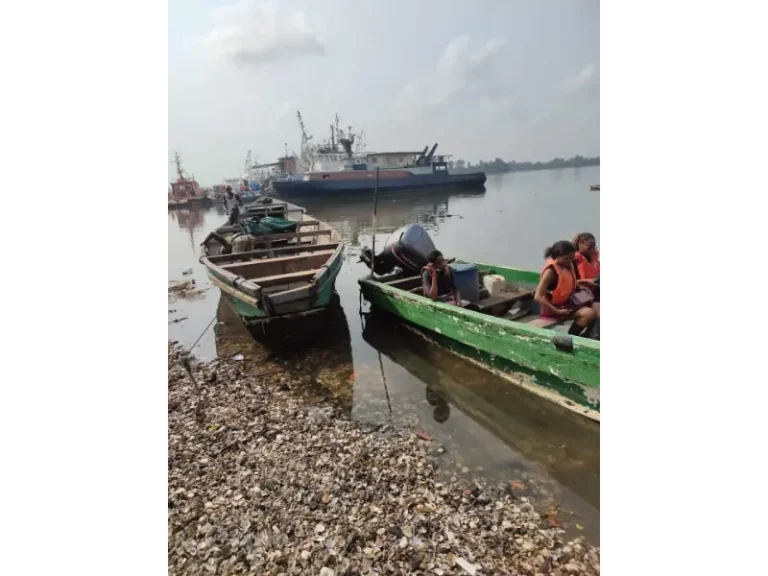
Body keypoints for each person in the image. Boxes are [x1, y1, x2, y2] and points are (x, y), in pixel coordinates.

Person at [534, 240, 598, 337]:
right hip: (554, 308)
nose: (570, 261)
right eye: (567, 259)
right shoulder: (550, 272)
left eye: (572, 258)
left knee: (595, 300)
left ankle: (589, 335)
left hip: (566, 301)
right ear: (557, 257)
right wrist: (556, 311)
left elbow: (566, 283)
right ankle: (571, 336)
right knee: (590, 313)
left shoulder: (567, 265)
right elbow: (537, 296)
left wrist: (584, 282)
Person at [572, 232, 603, 316]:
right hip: (575, 297)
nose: (593, 250)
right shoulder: (572, 261)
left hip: (591, 293)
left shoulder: (594, 261)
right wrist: (586, 281)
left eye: (594, 247)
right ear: (579, 245)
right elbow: (568, 283)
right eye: (589, 247)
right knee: (598, 305)